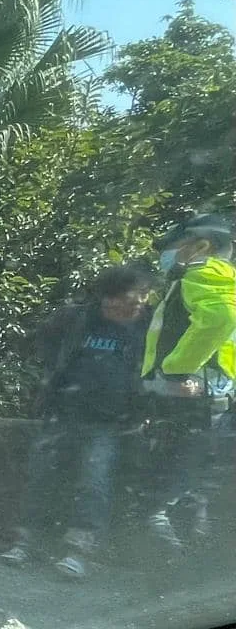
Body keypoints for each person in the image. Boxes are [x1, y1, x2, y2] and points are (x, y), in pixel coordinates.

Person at [0, 265, 152, 578]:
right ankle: (27, 543)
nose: (116, 310)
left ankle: (79, 552)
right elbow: (41, 344)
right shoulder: (78, 318)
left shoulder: (152, 327)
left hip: (111, 422)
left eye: (126, 303)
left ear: (144, 298)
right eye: (110, 303)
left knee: (94, 483)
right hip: (62, 412)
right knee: (40, 478)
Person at [138, 213, 236, 549]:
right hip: (210, 401)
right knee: (193, 492)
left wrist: (178, 368)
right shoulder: (226, 281)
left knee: (160, 497)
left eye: (175, 247)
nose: (168, 255)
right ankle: (190, 573)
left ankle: (170, 573)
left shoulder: (203, 273)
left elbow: (219, 319)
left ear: (201, 245)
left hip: (191, 401)